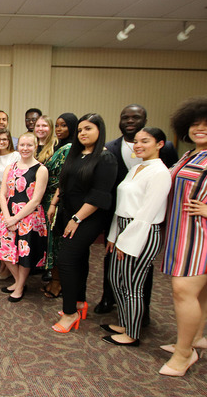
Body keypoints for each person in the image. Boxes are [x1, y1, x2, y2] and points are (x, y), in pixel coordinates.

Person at [95, 104, 179, 319]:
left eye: (135, 117)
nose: (130, 121)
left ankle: (139, 318)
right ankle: (114, 306)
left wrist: (127, 240)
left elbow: (152, 206)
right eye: (125, 117)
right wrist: (114, 234)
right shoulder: (116, 152)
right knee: (115, 273)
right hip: (118, 220)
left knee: (136, 279)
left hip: (142, 226)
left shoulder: (161, 166)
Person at [47, 113, 117, 333]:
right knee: (79, 259)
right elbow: (64, 182)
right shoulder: (76, 154)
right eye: (80, 130)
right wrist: (54, 204)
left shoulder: (106, 158)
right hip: (67, 212)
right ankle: (79, 302)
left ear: (99, 130)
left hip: (88, 218)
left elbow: (99, 195)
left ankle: (70, 313)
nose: (83, 133)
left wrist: (77, 219)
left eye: (88, 129)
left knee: (66, 260)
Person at [102, 127, 171, 346]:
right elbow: (122, 205)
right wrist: (113, 235)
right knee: (116, 279)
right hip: (122, 229)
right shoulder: (136, 168)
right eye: (136, 141)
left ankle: (132, 334)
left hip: (142, 233)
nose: (138, 145)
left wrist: (125, 242)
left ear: (159, 144)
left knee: (133, 285)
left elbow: (146, 214)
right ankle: (124, 322)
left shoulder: (160, 172)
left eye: (145, 141)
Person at [159, 96, 207, 377]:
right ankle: (194, 338)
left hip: (199, 236)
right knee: (199, 293)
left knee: (183, 291)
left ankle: (184, 354)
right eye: (195, 124)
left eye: (206, 124)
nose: (200, 128)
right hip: (181, 232)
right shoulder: (191, 154)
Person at [0, 133, 48, 301]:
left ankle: (19, 287)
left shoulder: (41, 169)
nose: (25, 148)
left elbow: (36, 200)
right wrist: (7, 217)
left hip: (29, 217)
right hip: (8, 214)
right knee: (5, 251)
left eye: (29, 145)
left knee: (24, 254)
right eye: (22, 145)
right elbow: (2, 194)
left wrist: (15, 218)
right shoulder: (10, 168)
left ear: (35, 147)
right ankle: (20, 281)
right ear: (18, 146)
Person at [41, 113, 78, 299]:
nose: (59, 129)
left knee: (57, 243)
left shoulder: (70, 148)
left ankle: (58, 283)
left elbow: (64, 179)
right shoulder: (58, 146)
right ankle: (55, 279)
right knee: (53, 241)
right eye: (57, 125)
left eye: (64, 125)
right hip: (49, 198)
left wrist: (54, 203)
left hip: (58, 201)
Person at [0, 129, 20, 279]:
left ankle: (8, 268)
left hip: (12, 200)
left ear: (9, 141)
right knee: (0, 234)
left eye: (5, 139)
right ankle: (3, 265)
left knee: (10, 235)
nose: (1, 142)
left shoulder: (16, 156)